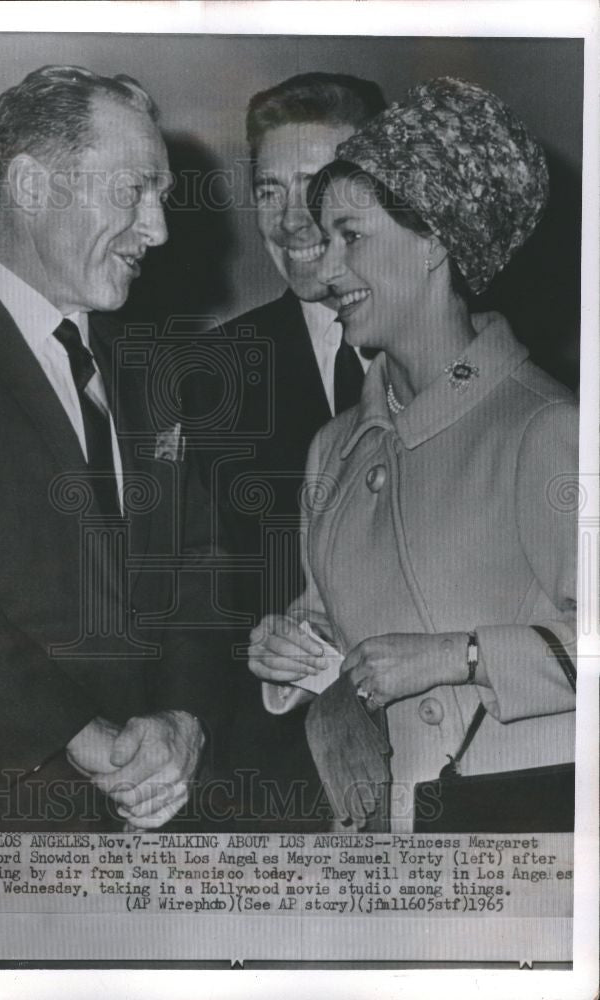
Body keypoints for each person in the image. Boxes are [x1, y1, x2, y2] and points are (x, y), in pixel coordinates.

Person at [248, 77, 577, 832]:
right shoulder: (333, 452)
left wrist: (458, 656)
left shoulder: (545, 428)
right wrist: (300, 653)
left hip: (526, 836)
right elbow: (351, 632)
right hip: (382, 840)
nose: (325, 271)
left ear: (433, 239)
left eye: (351, 237)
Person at [0, 66, 228, 831]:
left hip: (161, 818)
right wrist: (75, 734)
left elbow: (197, 568)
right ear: (32, 188)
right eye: (133, 190)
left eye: (160, 196)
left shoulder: (150, 372)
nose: (158, 228)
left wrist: (182, 719)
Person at [196, 73, 386, 829]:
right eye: (269, 189)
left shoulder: (476, 364)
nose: (289, 219)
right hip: (274, 789)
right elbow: (187, 600)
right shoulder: (204, 380)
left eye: (315, 185)